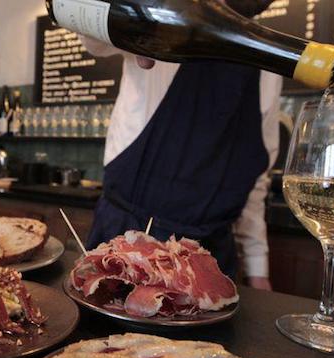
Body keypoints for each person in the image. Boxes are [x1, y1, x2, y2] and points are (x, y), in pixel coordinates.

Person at [82, 0, 280, 290]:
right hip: (128, 246)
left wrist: (257, 266)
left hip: (210, 262)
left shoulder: (271, 60)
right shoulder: (166, 12)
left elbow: (253, 175)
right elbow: (91, 31)